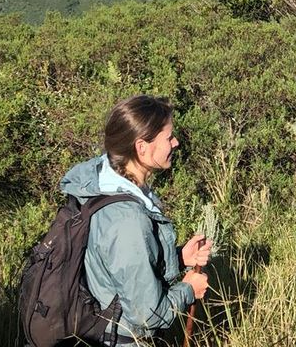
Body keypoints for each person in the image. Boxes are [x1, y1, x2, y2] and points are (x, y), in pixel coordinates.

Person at [59, 95, 212, 344]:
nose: (176, 142)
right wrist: (188, 290)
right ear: (142, 147)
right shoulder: (126, 219)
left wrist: (179, 256)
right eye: (169, 137)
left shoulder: (104, 185)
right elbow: (146, 316)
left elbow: (121, 266)